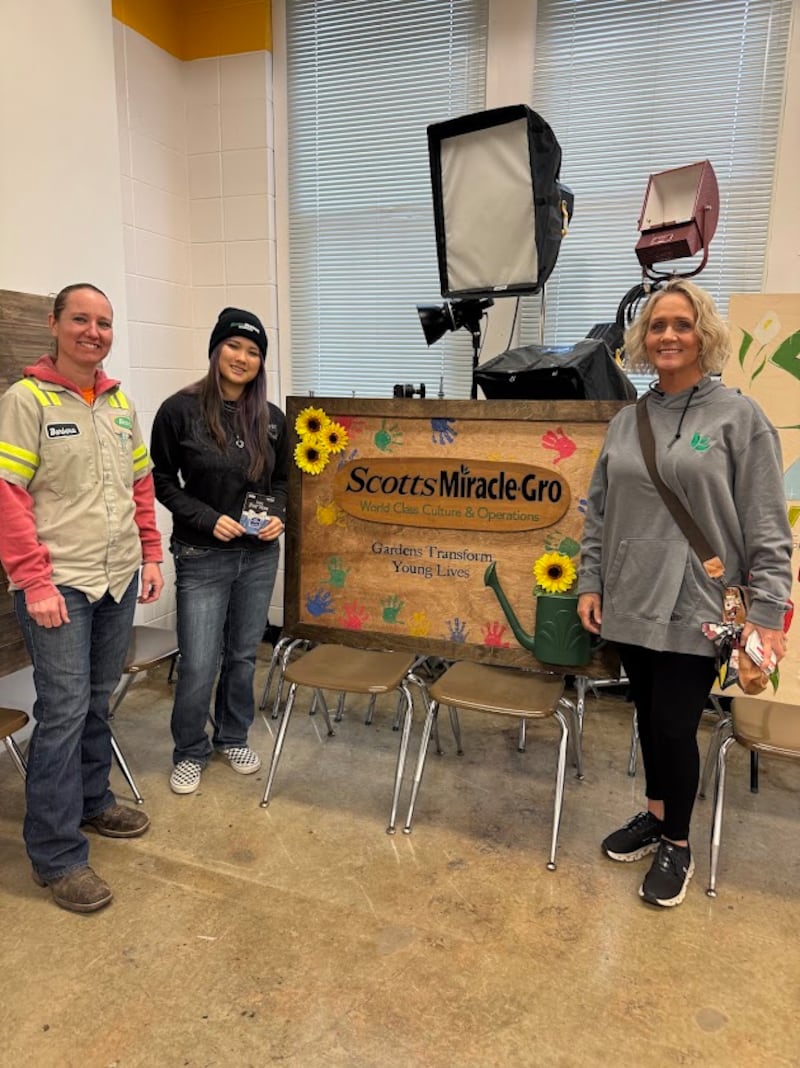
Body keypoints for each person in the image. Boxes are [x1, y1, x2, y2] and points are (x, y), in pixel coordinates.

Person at [577, 277, 792, 908]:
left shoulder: (739, 417)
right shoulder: (627, 421)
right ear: (642, 338)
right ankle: (653, 812)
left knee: (674, 726)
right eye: (657, 325)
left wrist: (769, 617)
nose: (668, 334)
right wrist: (591, 581)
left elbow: (767, 527)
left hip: (698, 604)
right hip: (629, 599)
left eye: (682, 323)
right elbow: (599, 509)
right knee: (647, 719)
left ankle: (677, 842)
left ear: (704, 335)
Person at [0, 282, 164, 913]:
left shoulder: (120, 403)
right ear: (55, 324)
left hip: (118, 576)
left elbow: (139, 485)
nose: (93, 332)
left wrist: (151, 554)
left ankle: (93, 802)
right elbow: (9, 498)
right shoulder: (26, 400)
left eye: (104, 322)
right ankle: (55, 854)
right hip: (60, 585)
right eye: (80, 320)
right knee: (64, 712)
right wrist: (35, 582)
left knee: (97, 701)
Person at [150, 307, 288, 795]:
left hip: (258, 557)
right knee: (199, 661)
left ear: (260, 363)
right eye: (233, 346)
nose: (242, 357)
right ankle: (189, 750)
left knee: (244, 654)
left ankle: (233, 736)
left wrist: (280, 517)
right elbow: (163, 482)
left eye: (253, 352)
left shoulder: (271, 419)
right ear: (215, 350)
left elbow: (285, 484)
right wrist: (208, 518)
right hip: (202, 558)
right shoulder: (178, 410)